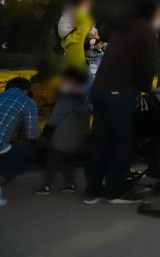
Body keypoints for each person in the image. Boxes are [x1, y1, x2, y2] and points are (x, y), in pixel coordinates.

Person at [85, 0, 160, 204]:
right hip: (119, 91)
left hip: (100, 90)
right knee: (121, 141)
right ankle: (116, 190)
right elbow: (148, 64)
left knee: (100, 139)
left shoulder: (122, 27)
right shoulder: (146, 30)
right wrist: (146, 89)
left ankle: (93, 190)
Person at [35, 66, 91, 195]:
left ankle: (46, 185)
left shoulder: (70, 96)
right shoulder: (87, 98)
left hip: (61, 135)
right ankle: (70, 183)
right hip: (77, 136)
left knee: (52, 161)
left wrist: (49, 127)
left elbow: (58, 113)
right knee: (69, 160)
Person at [0, 77, 41, 206]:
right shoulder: (27, 102)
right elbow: (32, 134)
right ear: (26, 90)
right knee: (28, 153)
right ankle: (3, 179)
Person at [58, 0, 96, 71]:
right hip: (72, 39)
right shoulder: (78, 12)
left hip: (69, 39)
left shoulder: (72, 13)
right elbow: (85, 25)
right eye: (87, 4)